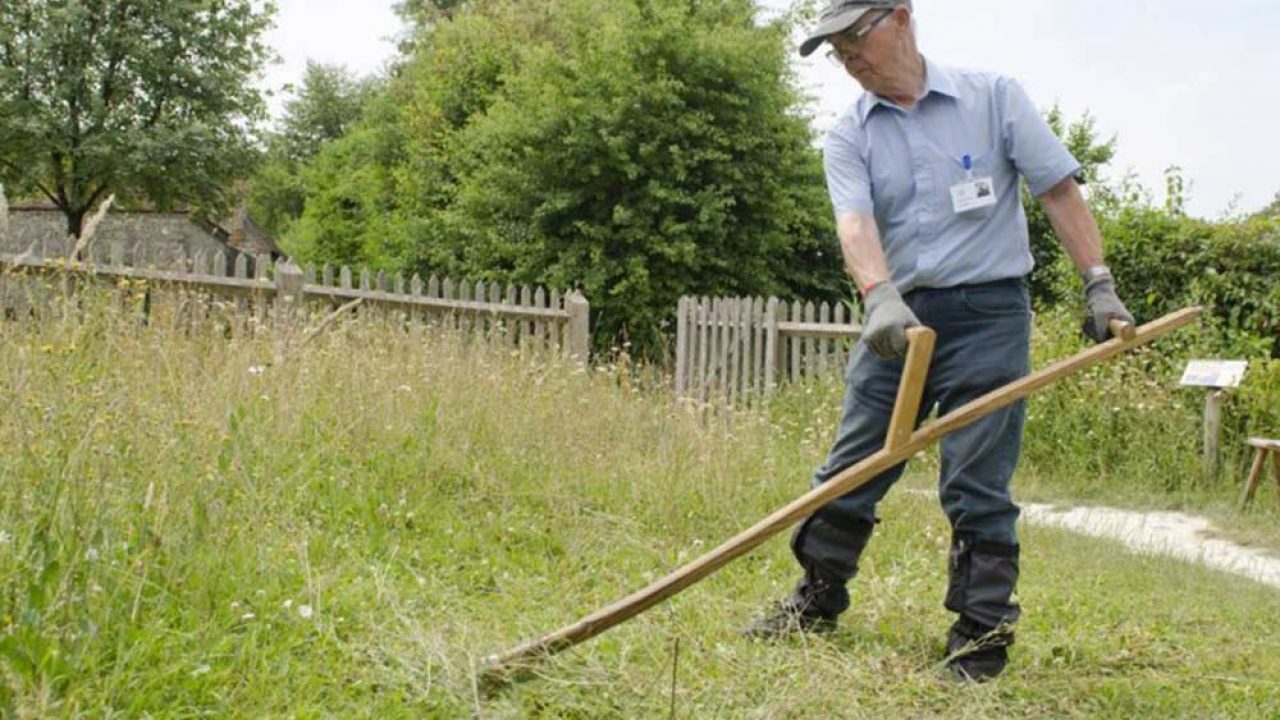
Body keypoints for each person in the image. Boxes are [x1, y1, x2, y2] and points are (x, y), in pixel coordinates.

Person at [741, 0, 1134, 682]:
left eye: (854, 37)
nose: (847, 58)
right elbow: (855, 225)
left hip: (989, 316)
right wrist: (878, 294)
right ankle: (817, 597)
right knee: (852, 465)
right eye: (835, 49)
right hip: (900, 320)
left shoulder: (994, 98)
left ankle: (980, 638)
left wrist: (1097, 283)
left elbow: (1057, 191)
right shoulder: (849, 134)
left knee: (977, 478)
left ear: (900, 18)